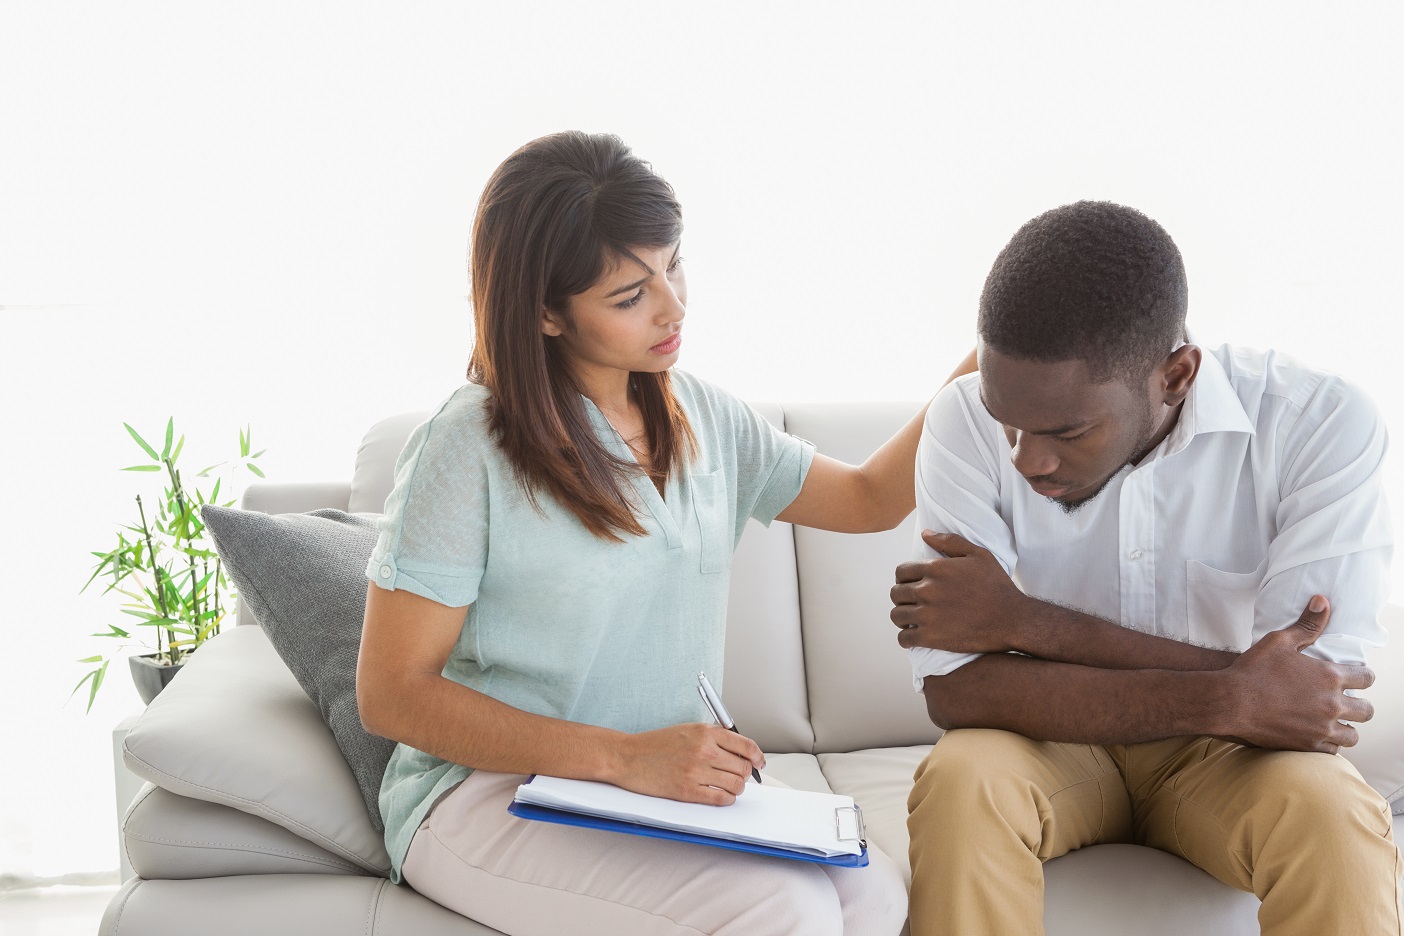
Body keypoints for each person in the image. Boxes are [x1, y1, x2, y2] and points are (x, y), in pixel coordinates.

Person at [356, 130, 973, 936]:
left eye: (673, 265)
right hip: (486, 792)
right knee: (783, 911)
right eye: (630, 296)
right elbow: (391, 694)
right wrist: (623, 757)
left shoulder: (700, 414)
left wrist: (992, 356)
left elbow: (865, 499)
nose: (673, 307)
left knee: (875, 894)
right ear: (544, 311)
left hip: (658, 791)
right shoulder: (466, 445)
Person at [890, 200, 1399, 935]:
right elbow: (958, 693)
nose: (1027, 460)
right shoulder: (962, 420)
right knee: (964, 780)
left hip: (1234, 760)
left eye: (1068, 430)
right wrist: (1229, 692)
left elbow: (1299, 704)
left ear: (1177, 375)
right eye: (1011, 421)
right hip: (1047, 748)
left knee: (1333, 813)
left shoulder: (1318, 424)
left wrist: (1024, 623)